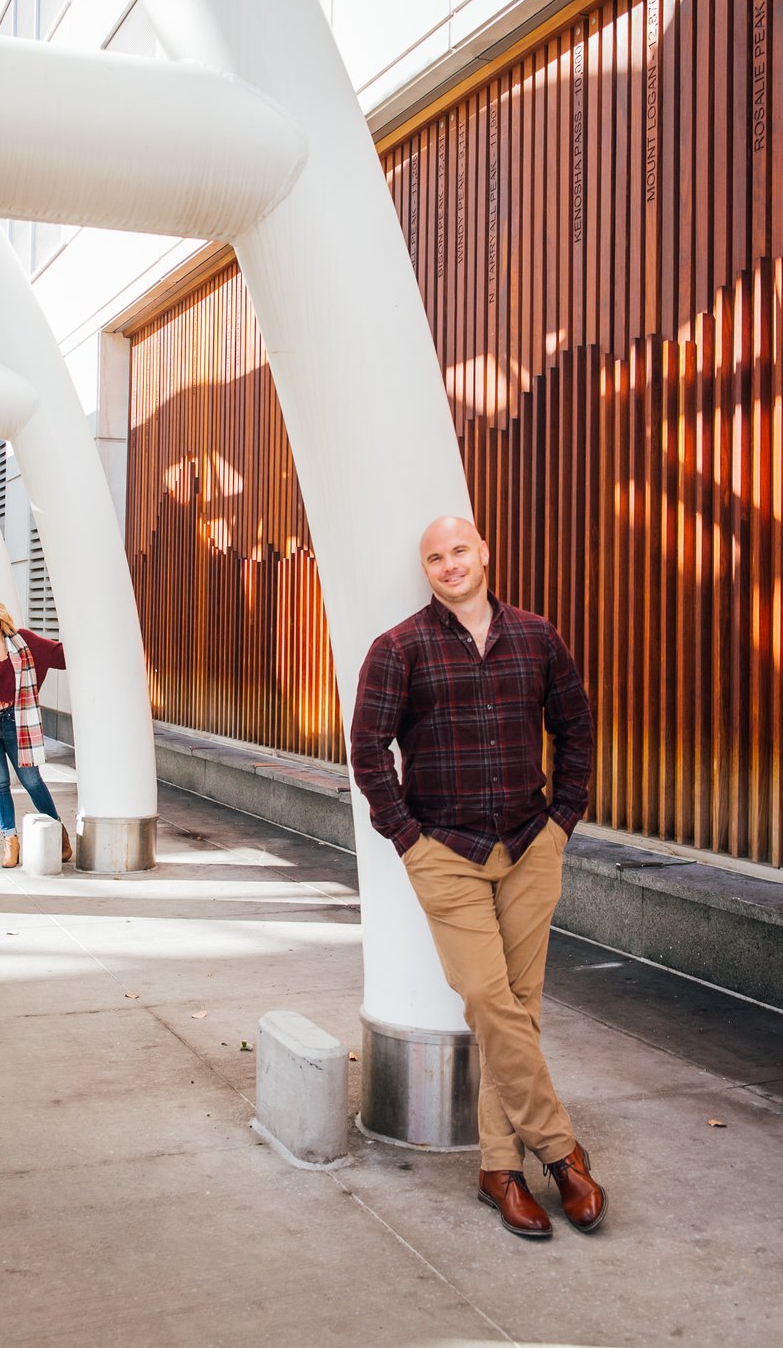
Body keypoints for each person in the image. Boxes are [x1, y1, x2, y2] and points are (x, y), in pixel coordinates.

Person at [350, 515, 606, 1240]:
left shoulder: (536, 635)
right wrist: (408, 839)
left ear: (484, 552)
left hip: (531, 843)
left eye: (459, 550)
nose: (450, 564)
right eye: (435, 556)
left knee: (516, 1008)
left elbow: (576, 727)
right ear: (426, 569)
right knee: (490, 999)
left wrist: (563, 820)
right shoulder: (398, 648)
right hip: (447, 852)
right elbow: (368, 751)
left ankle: (500, 1169)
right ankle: (561, 1153)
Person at [0, 595, 73, 870]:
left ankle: (57, 832)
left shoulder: (24, 642)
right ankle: (10, 840)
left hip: (16, 721)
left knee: (32, 781)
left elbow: (61, 654)